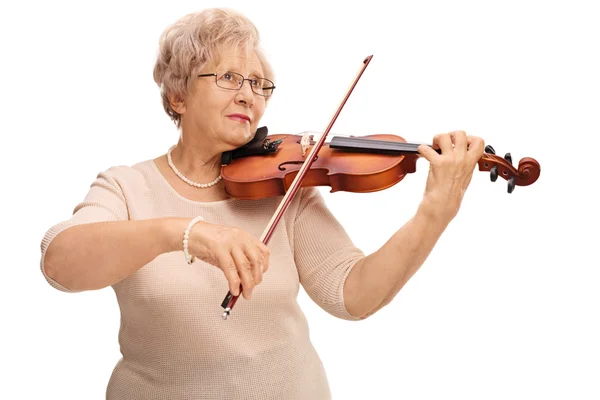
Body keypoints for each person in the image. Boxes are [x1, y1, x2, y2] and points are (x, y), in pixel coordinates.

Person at [39, 7, 485, 400]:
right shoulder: (127, 187)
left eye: (259, 83)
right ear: (178, 95)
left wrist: (435, 211)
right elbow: (61, 263)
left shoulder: (284, 189)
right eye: (229, 78)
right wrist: (186, 233)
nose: (249, 95)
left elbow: (353, 295)